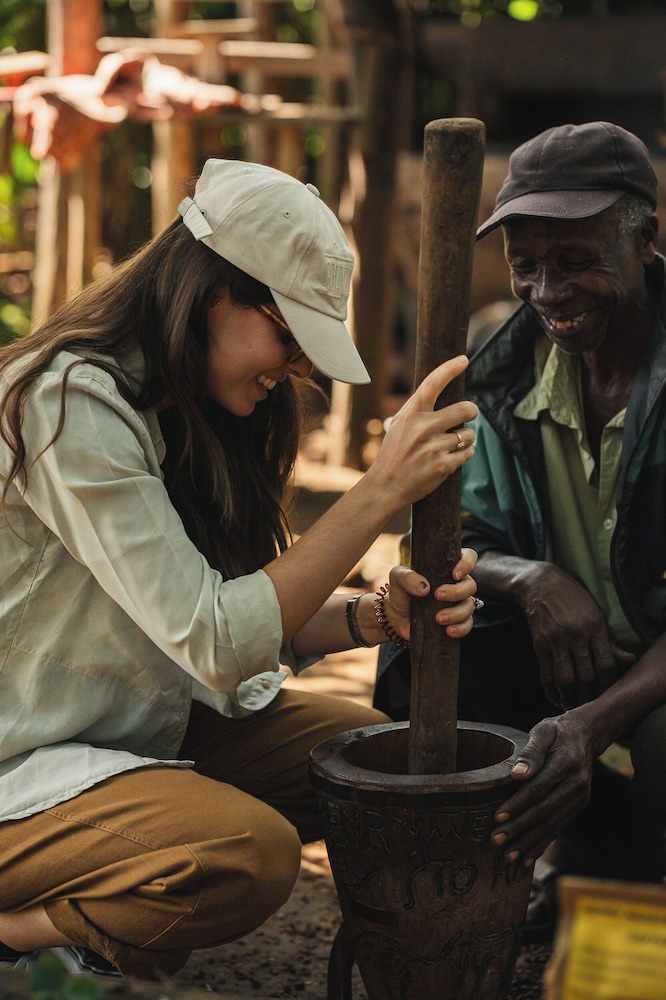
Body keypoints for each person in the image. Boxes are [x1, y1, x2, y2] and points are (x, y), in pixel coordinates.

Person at [0, 158, 481, 980]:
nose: (297, 368)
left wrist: (370, 617)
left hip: (121, 727)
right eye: (291, 338)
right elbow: (219, 642)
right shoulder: (68, 402)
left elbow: (238, 619)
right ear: (215, 292)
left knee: (382, 764)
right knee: (245, 856)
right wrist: (378, 493)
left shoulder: (189, 412)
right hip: (23, 754)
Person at [375, 121, 666, 939]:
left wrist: (589, 726)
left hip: (652, 670)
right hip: (570, 657)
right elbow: (448, 539)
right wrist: (532, 580)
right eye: (525, 265)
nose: (546, 291)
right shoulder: (499, 374)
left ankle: (639, 877)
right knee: (426, 643)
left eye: (575, 262)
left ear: (645, 239)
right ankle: (592, 850)